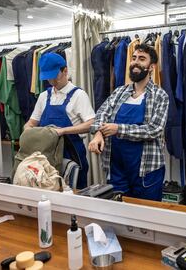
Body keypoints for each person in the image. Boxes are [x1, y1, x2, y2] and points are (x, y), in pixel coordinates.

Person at [88, 44, 169, 201]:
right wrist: (98, 133)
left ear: (151, 67)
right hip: (117, 169)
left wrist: (118, 129)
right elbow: (101, 113)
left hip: (147, 171)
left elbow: (154, 130)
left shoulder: (160, 96)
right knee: (119, 215)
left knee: (148, 217)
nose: (135, 62)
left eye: (142, 59)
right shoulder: (119, 92)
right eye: (134, 58)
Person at [24, 53, 95, 189]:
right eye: (48, 77)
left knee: (74, 193)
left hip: (72, 154)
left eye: (54, 76)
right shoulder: (44, 96)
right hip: (47, 157)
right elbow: (31, 123)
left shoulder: (79, 95)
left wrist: (62, 131)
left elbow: (91, 123)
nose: (51, 81)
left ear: (65, 70)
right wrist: (28, 133)